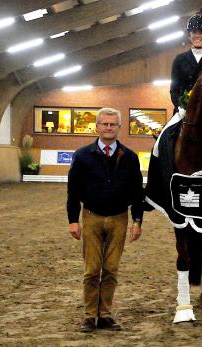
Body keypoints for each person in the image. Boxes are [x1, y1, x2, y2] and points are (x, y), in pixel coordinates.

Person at [67, 107, 144, 333]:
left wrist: (137, 221)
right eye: (104, 124)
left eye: (113, 124)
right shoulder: (82, 156)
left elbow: (137, 192)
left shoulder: (129, 157)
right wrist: (73, 219)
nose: (108, 128)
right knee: (92, 269)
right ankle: (90, 316)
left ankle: (106, 315)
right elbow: (73, 191)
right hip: (91, 217)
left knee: (111, 269)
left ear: (119, 128)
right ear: (97, 126)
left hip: (120, 218)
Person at [170, 13, 202, 114]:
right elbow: (174, 89)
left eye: (201, 32)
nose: (197, 35)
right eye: (194, 32)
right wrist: (180, 106)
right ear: (189, 35)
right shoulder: (179, 60)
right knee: (167, 130)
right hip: (183, 111)